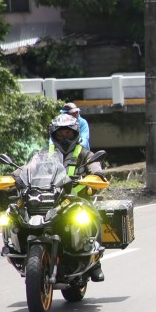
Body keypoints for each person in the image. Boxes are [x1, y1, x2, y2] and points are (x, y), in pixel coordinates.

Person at [49, 114, 106, 282]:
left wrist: (96, 178)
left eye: (68, 133)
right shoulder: (46, 153)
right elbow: (28, 168)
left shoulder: (85, 154)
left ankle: (96, 263)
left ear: (75, 134)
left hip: (78, 200)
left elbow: (96, 169)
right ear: (54, 135)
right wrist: (14, 176)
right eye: (60, 134)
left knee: (93, 218)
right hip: (51, 200)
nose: (64, 137)